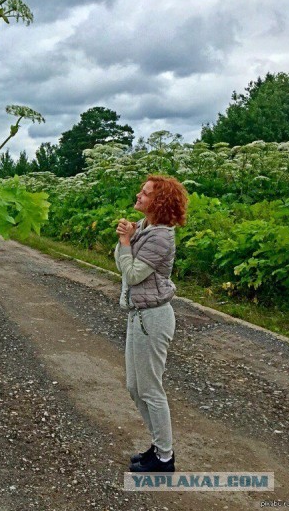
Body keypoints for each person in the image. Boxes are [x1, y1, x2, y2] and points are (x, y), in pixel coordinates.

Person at [115, 175, 188, 473]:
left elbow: (132, 274)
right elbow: (123, 260)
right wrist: (128, 237)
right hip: (138, 314)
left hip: (154, 318)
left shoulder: (160, 237)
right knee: (135, 387)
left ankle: (165, 458)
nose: (139, 195)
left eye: (145, 193)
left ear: (158, 202)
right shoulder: (146, 227)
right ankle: (158, 446)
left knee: (151, 389)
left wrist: (124, 242)